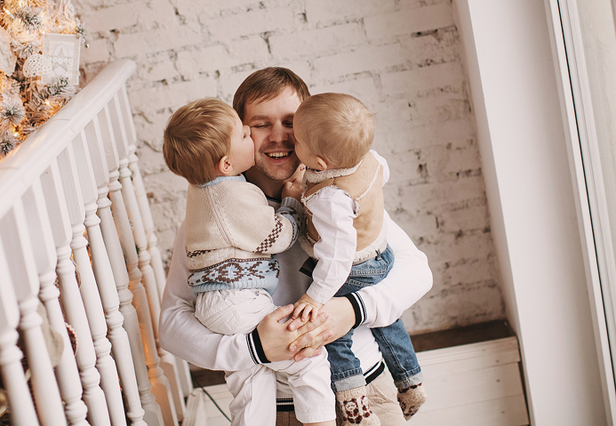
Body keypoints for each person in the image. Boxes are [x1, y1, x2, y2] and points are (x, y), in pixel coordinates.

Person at [159, 67, 433, 426]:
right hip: (282, 408)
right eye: (260, 124)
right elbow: (172, 324)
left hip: (368, 389)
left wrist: (351, 310)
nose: (279, 137)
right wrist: (253, 349)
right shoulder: (212, 219)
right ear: (239, 133)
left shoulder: (338, 194)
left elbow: (416, 271)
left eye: (291, 122)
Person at [162, 98, 336, 426]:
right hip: (237, 300)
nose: (251, 136)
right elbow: (276, 237)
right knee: (307, 358)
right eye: (247, 132)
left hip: (217, 302)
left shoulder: (203, 191)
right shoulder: (232, 195)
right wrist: (290, 204)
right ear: (227, 164)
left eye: (290, 122)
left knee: (251, 384)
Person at [291, 93, 426, 424]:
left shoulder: (329, 198)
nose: (291, 142)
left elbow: (337, 258)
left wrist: (316, 297)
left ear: (320, 162)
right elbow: (382, 177)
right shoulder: (371, 160)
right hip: (380, 254)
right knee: (388, 321)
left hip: (353, 268)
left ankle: (354, 403)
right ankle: (411, 380)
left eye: (296, 140)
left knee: (332, 334)